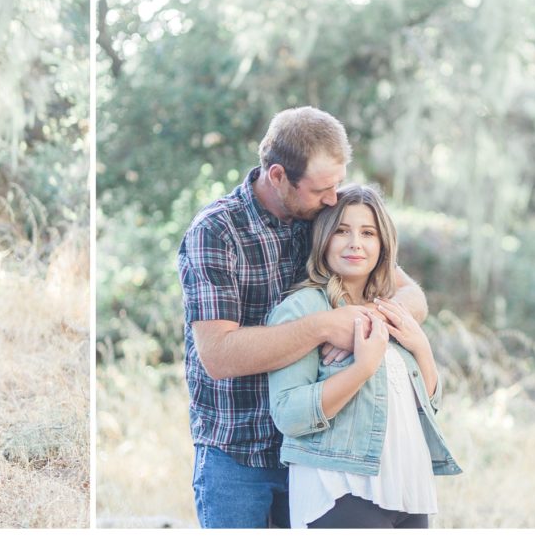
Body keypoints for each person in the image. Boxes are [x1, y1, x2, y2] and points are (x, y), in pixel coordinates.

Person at [177, 106, 428, 528]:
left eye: (337, 185)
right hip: (239, 455)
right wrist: (324, 327)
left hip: (319, 452)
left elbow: (410, 294)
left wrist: (363, 321)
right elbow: (218, 355)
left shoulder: (320, 217)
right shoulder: (216, 232)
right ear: (277, 176)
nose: (333, 199)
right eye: (320, 189)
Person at [267, 184, 461, 528]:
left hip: (408, 487)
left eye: (368, 233)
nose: (356, 242)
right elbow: (289, 414)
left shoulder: (391, 310)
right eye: (342, 231)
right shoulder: (303, 309)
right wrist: (363, 368)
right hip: (342, 489)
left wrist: (422, 349)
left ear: (383, 245)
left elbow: (427, 405)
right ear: (323, 240)